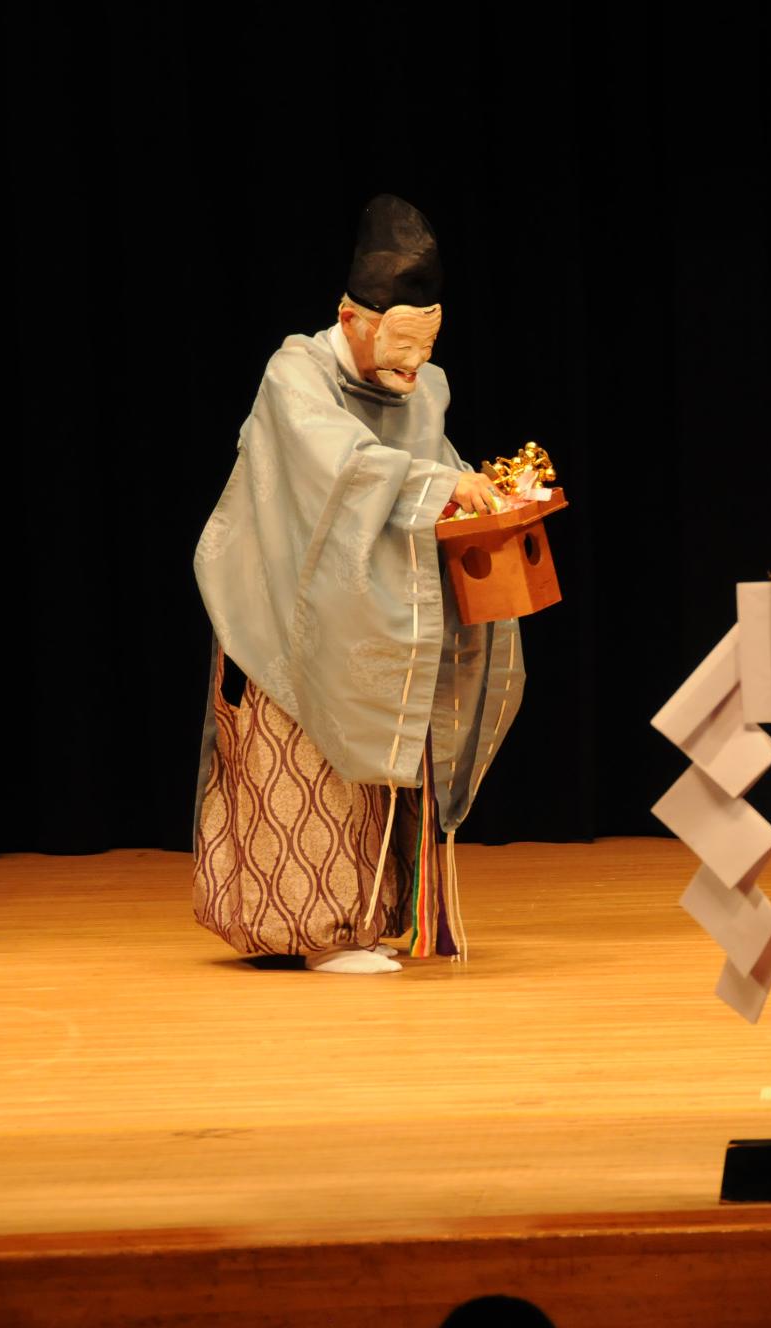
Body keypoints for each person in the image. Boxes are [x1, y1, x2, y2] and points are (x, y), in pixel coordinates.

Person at [190, 195, 525, 974]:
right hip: (283, 604)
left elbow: (432, 463)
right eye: (400, 350)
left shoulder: (424, 387)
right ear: (351, 318)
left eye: (424, 351)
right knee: (307, 763)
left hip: (369, 606)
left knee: (391, 733)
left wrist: (475, 487)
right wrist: (438, 485)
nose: (413, 370)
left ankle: (377, 920)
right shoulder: (294, 374)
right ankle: (314, 931)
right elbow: (341, 466)